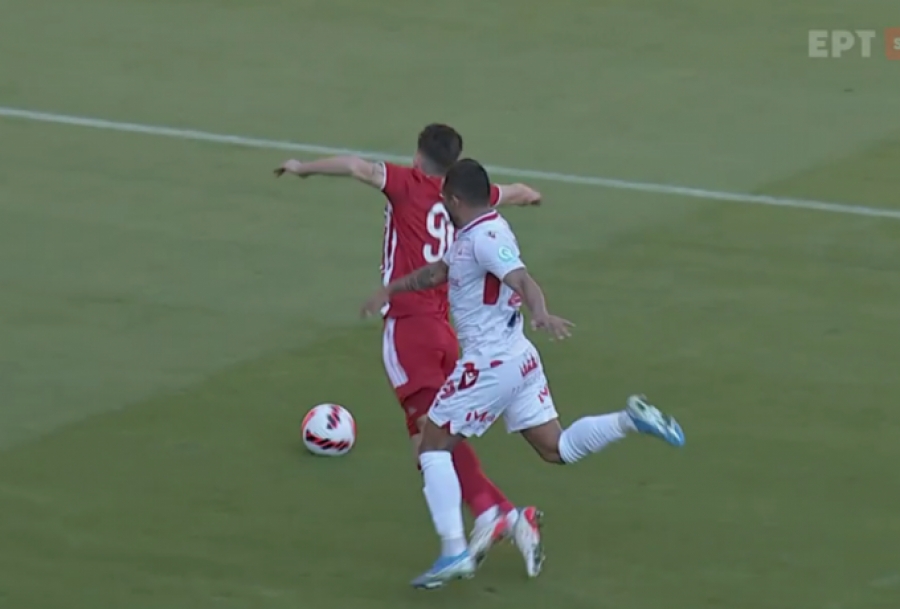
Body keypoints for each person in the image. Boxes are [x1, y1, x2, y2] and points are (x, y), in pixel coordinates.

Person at [361, 158, 686, 590]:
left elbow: (522, 279)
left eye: (444, 199)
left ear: (455, 200)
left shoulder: (486, 238)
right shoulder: (478, 231)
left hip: (490, 363)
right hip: (520, 360)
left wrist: (541, 312)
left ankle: (454, 550)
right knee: (556, 448)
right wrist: (393, 287)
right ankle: (630, 420)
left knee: (432, 447)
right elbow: (441, 271)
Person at [274, 125, 545, 573]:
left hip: (408, 327)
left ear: (419, 156)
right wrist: (530, 195)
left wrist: (302, 168)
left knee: (432, 437)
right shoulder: (462, 195)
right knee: (429, 440)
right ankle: (504, 516)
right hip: (443, 328)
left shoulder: (406, 183)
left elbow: (355, 166)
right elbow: (511, 192)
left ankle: (488, 518)